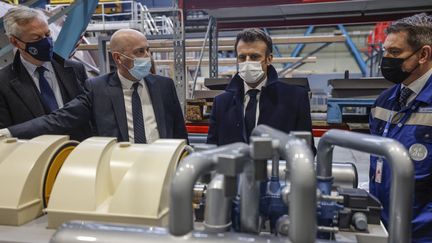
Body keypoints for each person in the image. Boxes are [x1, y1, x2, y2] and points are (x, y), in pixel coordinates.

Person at [0, 29, 188, 144]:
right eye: (140, 52)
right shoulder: (97, 89)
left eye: (148, 50)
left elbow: (179, 132)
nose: (147, 56)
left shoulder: (164, 86)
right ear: (118, 58)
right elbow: (59, 119)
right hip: (118, 168)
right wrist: (9, 132)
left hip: (162, 164)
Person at [369, 13, 432, 242]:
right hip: (384, 226)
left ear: (423, 54)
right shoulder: (383, 103)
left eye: (395, 53)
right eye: (385, 51)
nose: (385, 59)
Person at [206, 28, 314, 149]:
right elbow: (211, 148)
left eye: (254, 57)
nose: (247, 62)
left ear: (269, 59)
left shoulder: (295, 99)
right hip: (232, 167)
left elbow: (306, 150)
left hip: (275, 167)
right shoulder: (221, 103)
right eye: (242, 57)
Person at [0, 6, 90, 140]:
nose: (46, 42)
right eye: (36, 38)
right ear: (15, 41)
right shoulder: (3, 83)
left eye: (47, 35)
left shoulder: (76, 70)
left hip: (77, 153)